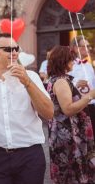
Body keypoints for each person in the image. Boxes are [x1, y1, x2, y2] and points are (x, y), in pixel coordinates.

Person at [0, 33, 53, 184]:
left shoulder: (31, 76)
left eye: (16, 48)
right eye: (8, 49)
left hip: (30, 156)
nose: (14, 53)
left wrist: (27, 82)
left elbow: (49, 113)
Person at [45, 45, 95, 183]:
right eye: (71, 59)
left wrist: (77, 89)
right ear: (63, 61)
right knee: (72, 174)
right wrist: (90, 95)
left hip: (65, 134)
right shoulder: (61, 81)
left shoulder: (58, 79)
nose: (73, 62)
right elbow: (68, 109)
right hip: (68, 136)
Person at [68, 35, 95, 130]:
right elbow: (64, 84)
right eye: (85, 46)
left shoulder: (89, 65)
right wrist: (76, 85)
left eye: (88, 46)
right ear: (76, 48)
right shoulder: (69, 65)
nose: (88, 48)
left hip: (92, 104)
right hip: (79, 106)